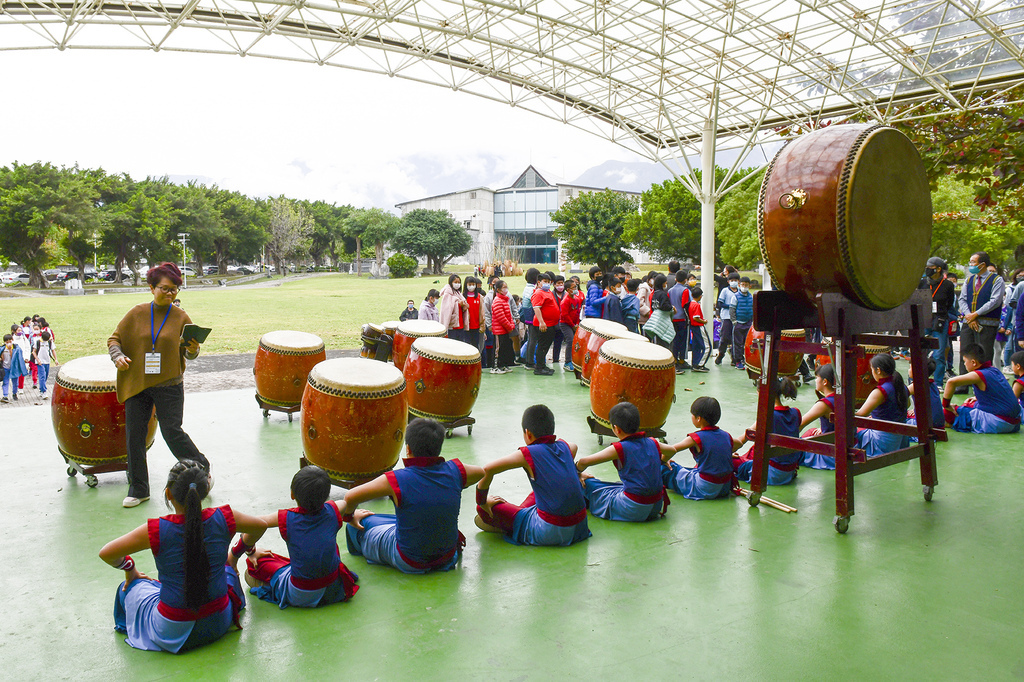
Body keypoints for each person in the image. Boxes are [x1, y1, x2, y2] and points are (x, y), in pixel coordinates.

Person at [99, 461, 268, 653]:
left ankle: (129, 626)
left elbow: (107, 553)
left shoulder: (156, 529)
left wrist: (130, 569)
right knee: (227, 570)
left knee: (127, 589)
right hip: (219, 621)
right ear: (205, 491)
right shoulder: (225, 516)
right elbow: (260, 526)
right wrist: (235, 555)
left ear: (168, 493)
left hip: (172, 630)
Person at [108, 262, 211, 508]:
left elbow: (189, 354)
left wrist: (194, 349)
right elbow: (114, 339)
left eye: (174, 289)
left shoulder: (181, 317)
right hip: (138, 383)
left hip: (169, 384)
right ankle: (139, 489)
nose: (170, 293)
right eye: (165, 288)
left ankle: (201, 468)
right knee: (135, 435)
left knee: (171, 431)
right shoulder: (137, 313)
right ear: (152, 288)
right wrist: (117, 356)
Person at [342, 418, 485, 574]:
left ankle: (361, 549)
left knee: (358, 524)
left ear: (408, 449)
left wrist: (350, 516)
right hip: (447, 556)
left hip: (409, 560)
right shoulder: (455, 470)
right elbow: (481, 472)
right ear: (439, 447)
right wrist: (456, 483)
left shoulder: (395, 479)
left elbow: (350, 497)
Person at [241, 466, 359, 609]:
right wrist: (350, 517)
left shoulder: (287, 517)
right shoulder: (334, 509)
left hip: (300, 594)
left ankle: (267, 585)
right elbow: (345, 504)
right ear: (327, 495)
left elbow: (255, 524)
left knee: (254, 568)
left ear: (292, 494)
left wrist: (251, 551)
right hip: (334, 587)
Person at [474, 404, 591, 546]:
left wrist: (482, 501)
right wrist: (577, 472)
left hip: (549, 531)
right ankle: (519, 513)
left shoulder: (527, 454)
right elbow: (574, 448)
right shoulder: (567, 447)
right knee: (541, 490)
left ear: (527, 433)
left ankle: (509, 525)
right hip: (580, 527)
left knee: (482, 509)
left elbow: (487, 469)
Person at [575, 402, 673, 522]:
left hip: (633, 508)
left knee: (588, 483)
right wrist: (662, 461)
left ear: (616, 429)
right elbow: (672, 450)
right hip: (656, 505)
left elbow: (584, 462)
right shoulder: (652, 441)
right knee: (616, 485)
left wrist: (577, 473)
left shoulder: (619, 448)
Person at [662, 397, 741, 500]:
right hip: (724, 487)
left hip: (706, 488)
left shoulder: (696, 437)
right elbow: (739, 443)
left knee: (668, 469)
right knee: (689, 470)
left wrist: (663, 461)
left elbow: (672, 449)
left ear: (698, 418)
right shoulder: (726, 435)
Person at [733, 377, 802, 485]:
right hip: (789, 472)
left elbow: (743, 439)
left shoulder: (767, 416)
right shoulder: (796, 413)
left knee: (731, 461)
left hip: (770, 474)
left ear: (761, 393)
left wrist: (726, 452)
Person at [942, 344, 1022, 434]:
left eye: (965, 361)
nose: (964, 364)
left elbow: (951, 382)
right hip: (1015, 423)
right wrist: (978, 398)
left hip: (1001, 423)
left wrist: (946, 405)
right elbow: (999, 392)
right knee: (970, 403)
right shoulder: (994, 370)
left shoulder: (978, 375)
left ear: (973, 362)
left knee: (947, 413)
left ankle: (952, 423)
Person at [957, 251, 1004, 379]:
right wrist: (969, 315)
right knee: (965, 353)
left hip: (987, 324)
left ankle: (984, 382)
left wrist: (976, 314)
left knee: (984, 354)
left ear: (982, 264)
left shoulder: (997, 280)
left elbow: (995, 301)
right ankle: (963, 383)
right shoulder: (969, 280)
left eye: (973, 262)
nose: (970, 264)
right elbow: (962, 299)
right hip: (968, 323)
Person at [854, 354, 910, 457]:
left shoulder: (880, 391)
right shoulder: (901, 386)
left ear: (878, 370)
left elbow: (860, 414)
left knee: (854, 431)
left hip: (883, 442)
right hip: (901, 439)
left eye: (872, 369)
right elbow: (907, 404)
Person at [921, 257, 956, 384]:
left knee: (939, 352)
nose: (927, 269)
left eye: (930, 267)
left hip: (940, 320)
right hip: (923, 319)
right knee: (921, 349)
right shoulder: (922, 283)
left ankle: (938, 382)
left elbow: (949, 303)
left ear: (938, 269)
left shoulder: (948, 285)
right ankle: (918, 379)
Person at [799, 364, 837, 470]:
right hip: (849, 446)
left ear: (825, 382)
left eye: (817, 378)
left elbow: (800, 424)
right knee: (812, 431)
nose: (815, 381)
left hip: (831, 454)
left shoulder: (824, 404)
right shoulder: (845, 397)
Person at [530, 271, 561, 376]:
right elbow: (536, 308)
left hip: (551, 324)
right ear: (539, 282)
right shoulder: (538, 293)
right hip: (544, 324)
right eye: (545, 281)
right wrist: (542, 322)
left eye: (548, 281)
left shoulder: (547, 292)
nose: (547, 283)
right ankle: (539, 368)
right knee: (542, 346)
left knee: (546, 346)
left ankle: (542, 365)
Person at [907, 358, 945, 434]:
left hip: (926, 427)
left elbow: (901, 396)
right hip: (939, 425)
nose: (908, 370)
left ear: (916, 371)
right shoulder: (933, 384)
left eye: (910, 367)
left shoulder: (915, 386)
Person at [644, 274, 676, 356]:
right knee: (666, 345)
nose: (666, 284)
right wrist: (672, 308)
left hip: (656, 322)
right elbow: (665, 306)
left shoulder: (654, 293)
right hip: (663, 321)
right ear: (662, 283)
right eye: (665, 283)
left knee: (659, 344)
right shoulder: (662, 294)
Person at [558, 277, 584, 372]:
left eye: (576, 286)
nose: (576, 289)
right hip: (565, 324)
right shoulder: (565, 301)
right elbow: (564, 315)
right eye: (573, 287)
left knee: (575, 342)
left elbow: (577, 312)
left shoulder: (576, 299)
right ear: (568, 290)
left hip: (574, 324)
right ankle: (567, 362)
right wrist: (572, 325)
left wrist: (577, 323)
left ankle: (574, 360)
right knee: (570, 340)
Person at [490, 280, 516, 375]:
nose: (506, 289)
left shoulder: (505, 300)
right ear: (498, 289)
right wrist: (509, 326)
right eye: (504, 287)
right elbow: (501, 317)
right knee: (498, 349)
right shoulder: (497, 301)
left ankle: (503, 365)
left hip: (505, 330)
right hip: (499, 330)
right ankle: (495, 366)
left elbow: (508, 315)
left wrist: (511, 325)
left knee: (505, 348)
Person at [668, 271, 692, 370]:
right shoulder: (685, 290)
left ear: (676, 279)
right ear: (685, 280)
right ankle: (682, 360)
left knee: (675, 340)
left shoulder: (670, 290)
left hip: (673, 318)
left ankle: (675, 360)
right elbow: (685, 305)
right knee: (683, 340)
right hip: (682, 318)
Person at [730, 277, 754, 370]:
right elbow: (732, 309)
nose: (744, 286)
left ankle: (746, 359)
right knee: (737, 343)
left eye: (746, 285)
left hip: (748, 323)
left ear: (749, 286)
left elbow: (753, 309)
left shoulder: (751, 297)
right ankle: (737, 361)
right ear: (739, 285)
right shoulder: (735, 296)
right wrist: (734, 321)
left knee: (747, 343)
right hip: (738, 323)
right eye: (742, 285)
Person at [715, 273, 738, 365]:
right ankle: (721, 354)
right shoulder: (725, 291)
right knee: (724, 337)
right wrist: (731, 306)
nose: (734, 282)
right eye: (732, 280)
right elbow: (720, 303)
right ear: (728, 281)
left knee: (736, 338)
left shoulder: (740, 291)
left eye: (735, 280)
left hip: (737, 318)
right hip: (726, 317)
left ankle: (734, 357)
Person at [519, 268, 540, 366]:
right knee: (533, 340)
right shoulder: (533, 290)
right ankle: (530, 361)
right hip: (533, 316)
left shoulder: (527, 287)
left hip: (528, 316)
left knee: (531, 339)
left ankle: (527, 359)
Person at [439, 274, 469, 343]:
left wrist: (464, 307)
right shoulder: (447, 294)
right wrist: (458, 304)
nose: (457, 284)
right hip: (452, 327)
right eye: (455, 282)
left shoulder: (458, 293)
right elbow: (447, 309)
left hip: (460, 325)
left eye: (459, 282)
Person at [687, 287, 709, 372]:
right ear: (700, 296)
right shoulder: (696, 305)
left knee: (696, 346)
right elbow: (696, 318)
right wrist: (704, 321)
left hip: (693, 327)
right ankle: (700, 365)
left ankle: (695, 363)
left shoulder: (690, 304)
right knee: (707, 347)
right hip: (699, 327)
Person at [1, 333, 27, 403]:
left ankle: (14, 393)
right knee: (5, 382)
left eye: (10, 341)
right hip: (5, 367)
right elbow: (2, 358)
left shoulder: (16, 348)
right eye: (7, 342)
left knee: (15, 382)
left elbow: (15, 358)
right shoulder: (3, 349)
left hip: (14, 368)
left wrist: (10, 350)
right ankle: (5, 396)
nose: (8, 343)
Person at [31, 330, 56, 400]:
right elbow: (34, 352)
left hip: (47, 361)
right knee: (42, 376)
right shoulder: (38, 342)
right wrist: (38, 360)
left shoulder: (50, 342)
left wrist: (56, 359)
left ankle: (41, 390)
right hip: (40, 362)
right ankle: (44, 391)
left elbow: (53, 350)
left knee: (45, 377)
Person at [463, 276, 484, 357]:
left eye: (473, 284)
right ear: (466, 285)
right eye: (469, 284)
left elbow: (482, 312)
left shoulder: (479, 297)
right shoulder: (463, 297)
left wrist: (482, 325)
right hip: (466, 327)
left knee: (476, 346)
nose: (471, 286)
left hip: (476, 326)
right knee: (467, 347)